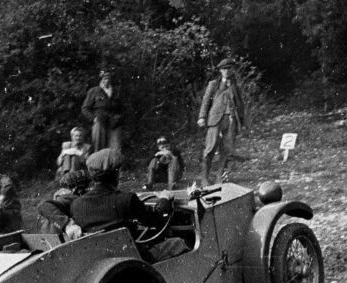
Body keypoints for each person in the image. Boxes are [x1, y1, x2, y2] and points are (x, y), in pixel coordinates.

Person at [70, 148, 188, 262]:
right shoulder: (126, 199)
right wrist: (165, 199)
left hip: (100, 262)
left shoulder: (76, 204)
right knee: (178, 243)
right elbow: (156, 219)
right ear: (116, 174)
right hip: (133, 259)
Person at [197, 57, 246, 186]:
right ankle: (205, 178)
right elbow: (206, 101)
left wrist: (242, 121)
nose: (227, 71)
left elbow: (240, 104)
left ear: (232, 70)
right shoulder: (214, 84)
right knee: (210, 149)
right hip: (215, 121)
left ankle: (220, 177)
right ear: (220, 71)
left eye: (229, 68)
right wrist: (202, 117)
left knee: (226, 150)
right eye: (224, 69)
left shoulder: (235, 86)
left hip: (231, 121)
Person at [37, 170, 88, 238]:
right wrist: (67, 224)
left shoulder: (59, 196)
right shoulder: (70, 198)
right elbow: (44, 206)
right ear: (76, 188)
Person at [82, 69, 124, 152]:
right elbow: (85, 108)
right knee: (98, 149)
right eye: (105, 78)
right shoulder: (94, 91)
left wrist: (119, 118)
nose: (107, 80)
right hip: (100, 122)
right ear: (101, 79)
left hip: (114, 123)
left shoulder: (116, 92)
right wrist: (93, 118)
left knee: (115, 151)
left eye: (109, 78)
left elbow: (123, 109)